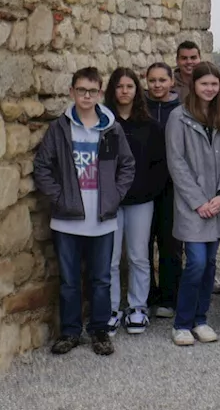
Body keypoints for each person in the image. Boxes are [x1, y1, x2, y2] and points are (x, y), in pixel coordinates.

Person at [33, 68, 136, 356]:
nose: (86, 96)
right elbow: (42, 167)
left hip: (102, 219)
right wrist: (60, 197)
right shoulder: (60, 128)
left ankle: (100, 331)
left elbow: (126, 165)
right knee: (68, 281)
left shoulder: (110, 128)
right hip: (67, 220)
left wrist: (114, 196)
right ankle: (70, 332)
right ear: (72, 92)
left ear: (100, 93)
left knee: (101, 279)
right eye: (81, 90)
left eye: (92, 91)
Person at [165, 62, 220, 347]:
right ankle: (182, 323)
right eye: (204, 83)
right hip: (192, 206)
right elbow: (176, 163)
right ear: (193, 85)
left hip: (217, 204)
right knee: (196, 263)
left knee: (209, 264)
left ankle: (201, 319)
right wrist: (198, 201)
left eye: (214, 84)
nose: (209, 88)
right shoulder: (177, 118)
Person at [104, 68, 167, 336]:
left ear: (136, 90)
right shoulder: (104, 123)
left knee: (139, 256)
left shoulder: (150, 125)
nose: (125, 91)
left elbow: (160, 165)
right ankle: (111, 309)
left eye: (130, 86)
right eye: (120, 86)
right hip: (110, 202)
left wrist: (148, 192)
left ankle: (137, 307)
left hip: (141, 201)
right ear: (113, 91)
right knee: (111, 258)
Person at [145, 62, 182, 318]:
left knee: (170, 243)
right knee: (143, 243)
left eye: (162, 80)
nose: (157, 85)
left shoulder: (181, 110)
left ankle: (170, 297)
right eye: (152, 80)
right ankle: (148, 294)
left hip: (172, 186)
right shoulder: (140, 109)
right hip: (145, 185)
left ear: (172, 82)